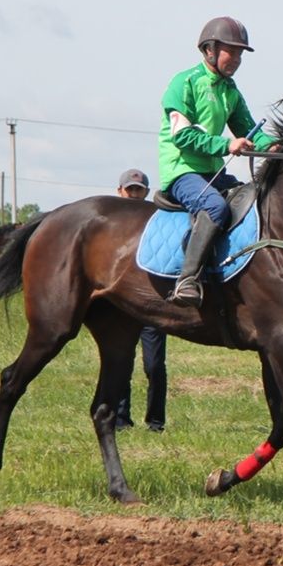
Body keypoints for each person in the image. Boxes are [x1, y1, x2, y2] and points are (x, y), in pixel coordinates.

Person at [158, 16, 279, 307]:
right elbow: (183, 136)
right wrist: (227, 144)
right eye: (231, 51)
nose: (236, 59)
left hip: (212, 173)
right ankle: (187, 280)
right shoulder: (184, 82)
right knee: (214, 206)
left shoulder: (230, 91)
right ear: (209, 50)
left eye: (240, 54)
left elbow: (249, 130)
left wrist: (273, 146)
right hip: (181, 172)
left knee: (251, 198)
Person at [113, 169, 168, 432]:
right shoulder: (109, 224)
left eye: (139, 189)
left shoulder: (156, 218)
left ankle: (156, 421)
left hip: (150, 302)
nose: (134, 194)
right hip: (120, 304)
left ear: (146, 192)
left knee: (154, 365)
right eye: (130, 189)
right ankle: (121, 419)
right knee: (120, 361)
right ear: (119, 191)